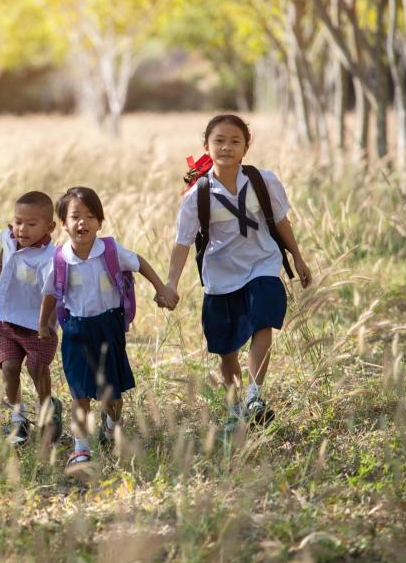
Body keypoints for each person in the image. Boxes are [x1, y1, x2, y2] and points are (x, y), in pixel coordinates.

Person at [162, 114, 312, 429]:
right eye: (219, 141)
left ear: (245, 147)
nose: (226, 147)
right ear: (206, 146)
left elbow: (282, 221)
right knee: (226, 348)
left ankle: (255, 395)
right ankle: (235, 408)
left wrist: (297, 257)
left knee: (263, 317)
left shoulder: (263, 181)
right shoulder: (197, 195)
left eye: (234, 141)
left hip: (263, 262)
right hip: (220, 275)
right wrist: (171, 284)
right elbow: (182, 244)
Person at [39, 187, 173, 470]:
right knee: (79, 391)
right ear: (63, 223)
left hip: (108, 326)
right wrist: (43, 324)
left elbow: (140, 264)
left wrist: (161, 289)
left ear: (100, 222)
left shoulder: (110, 250)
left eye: (90, 216)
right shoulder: (61, 259)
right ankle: (81, 447)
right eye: (75, 216)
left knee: (111, 393)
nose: (82, 223)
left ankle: (111, 423)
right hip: (76, 329)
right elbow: (50, 293)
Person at [0, 191, 61, 446]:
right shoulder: (8, 238)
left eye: (31, 224)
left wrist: (45, 324)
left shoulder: (49, 259)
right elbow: (4, 249)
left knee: (37, 369)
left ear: (49, 227)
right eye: (18, 221)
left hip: (36, 325)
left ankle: (47, 409)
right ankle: (17, 417)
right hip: (6, 319)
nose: (22, 229)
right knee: (9, 368)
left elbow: (50, 294)